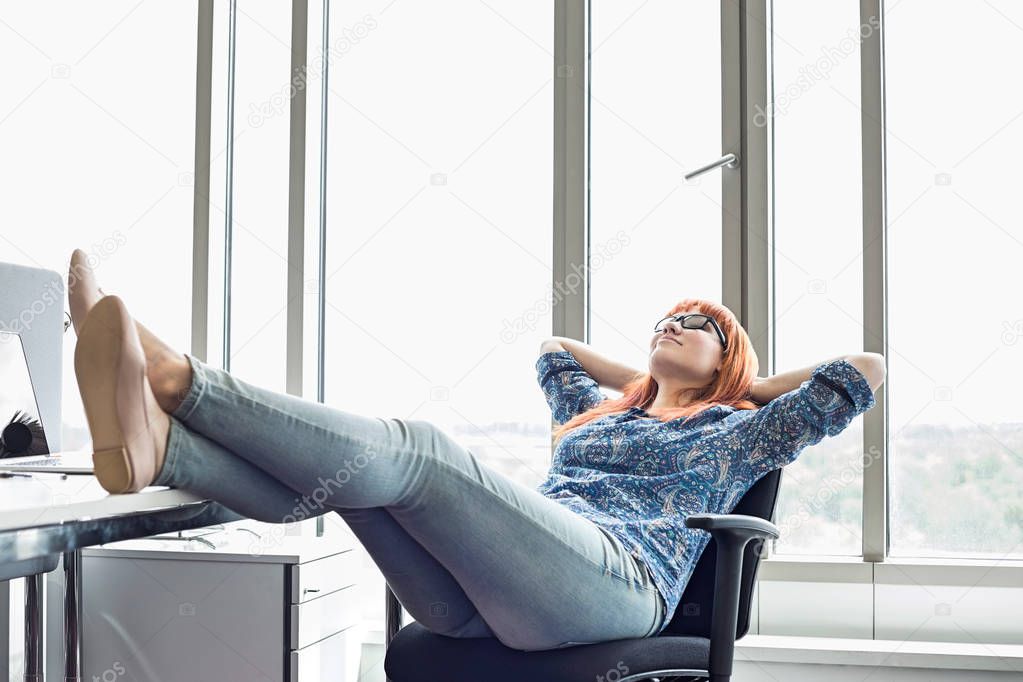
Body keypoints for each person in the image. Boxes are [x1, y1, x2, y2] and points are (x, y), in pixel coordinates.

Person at [66, 249, 884, 652]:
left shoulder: (741, 428)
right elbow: (554, 349)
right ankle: (167, 453)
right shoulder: (593, 417)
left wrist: (731, 389)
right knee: (358, 484)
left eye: (698, 326)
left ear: (729, 359)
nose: (674, 324)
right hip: (472, 607)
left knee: (417, 452)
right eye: (667, 317)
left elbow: (863, 370)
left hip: (615, 588)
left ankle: (177, 382)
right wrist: (650, 385)